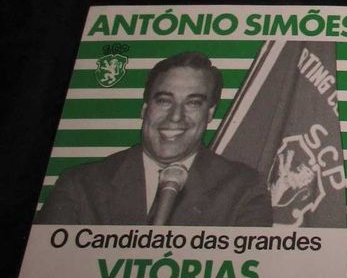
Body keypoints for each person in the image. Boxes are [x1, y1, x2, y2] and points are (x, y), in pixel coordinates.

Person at [37, 52, 272, 226]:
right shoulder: (79, 185)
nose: (176, 116)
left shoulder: (245, 190)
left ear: (209, 114)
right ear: (145, 108)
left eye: (192, 103)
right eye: (164, 101)